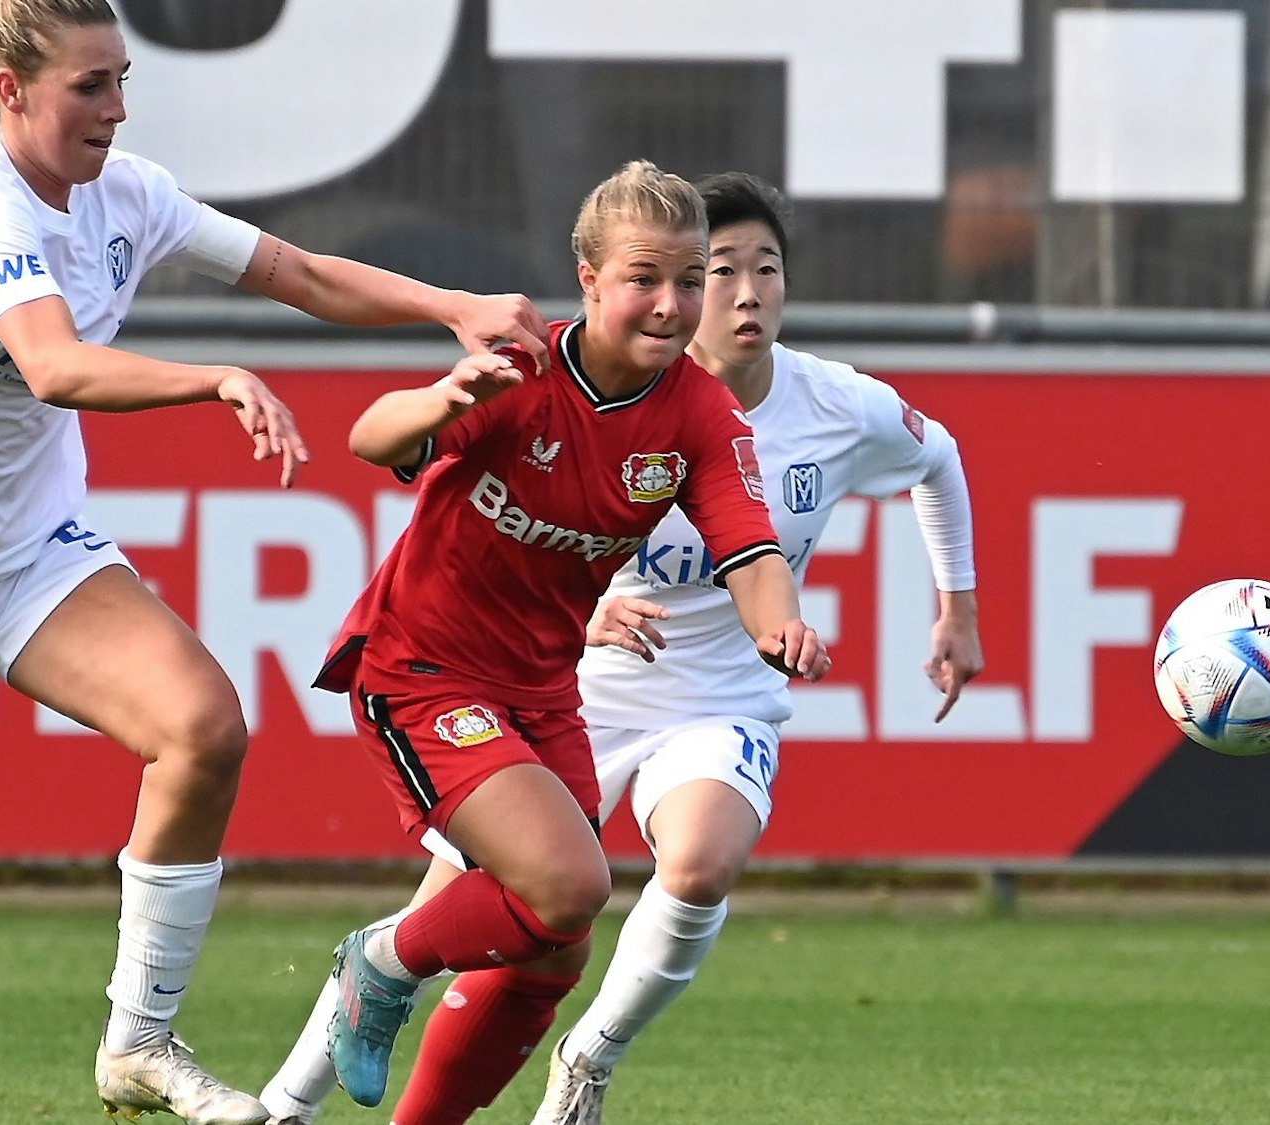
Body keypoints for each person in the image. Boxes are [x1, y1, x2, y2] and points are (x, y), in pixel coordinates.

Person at [0, 3, 549, 1124]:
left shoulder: (128, 193)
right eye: (89, 86)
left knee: (203, 728)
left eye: (122, 80)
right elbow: (54, 366)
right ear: (9, 86)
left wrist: (448, 307)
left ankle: (138, 1043)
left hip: (30, 553)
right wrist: (215, 378)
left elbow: (298, 273)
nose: (116, 110)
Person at [257, 171, 981, 1125]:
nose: (680, 302)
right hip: (430, 668)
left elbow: (753, 547)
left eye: (694, 279)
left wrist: (780, 625)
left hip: (549, 688)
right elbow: (368, 435)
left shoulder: (703, 416)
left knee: (556, 941)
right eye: (656, 278)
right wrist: (441, 399)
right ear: (589, 279)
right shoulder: (519, 372)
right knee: (555, 886)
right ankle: (332, 1033)